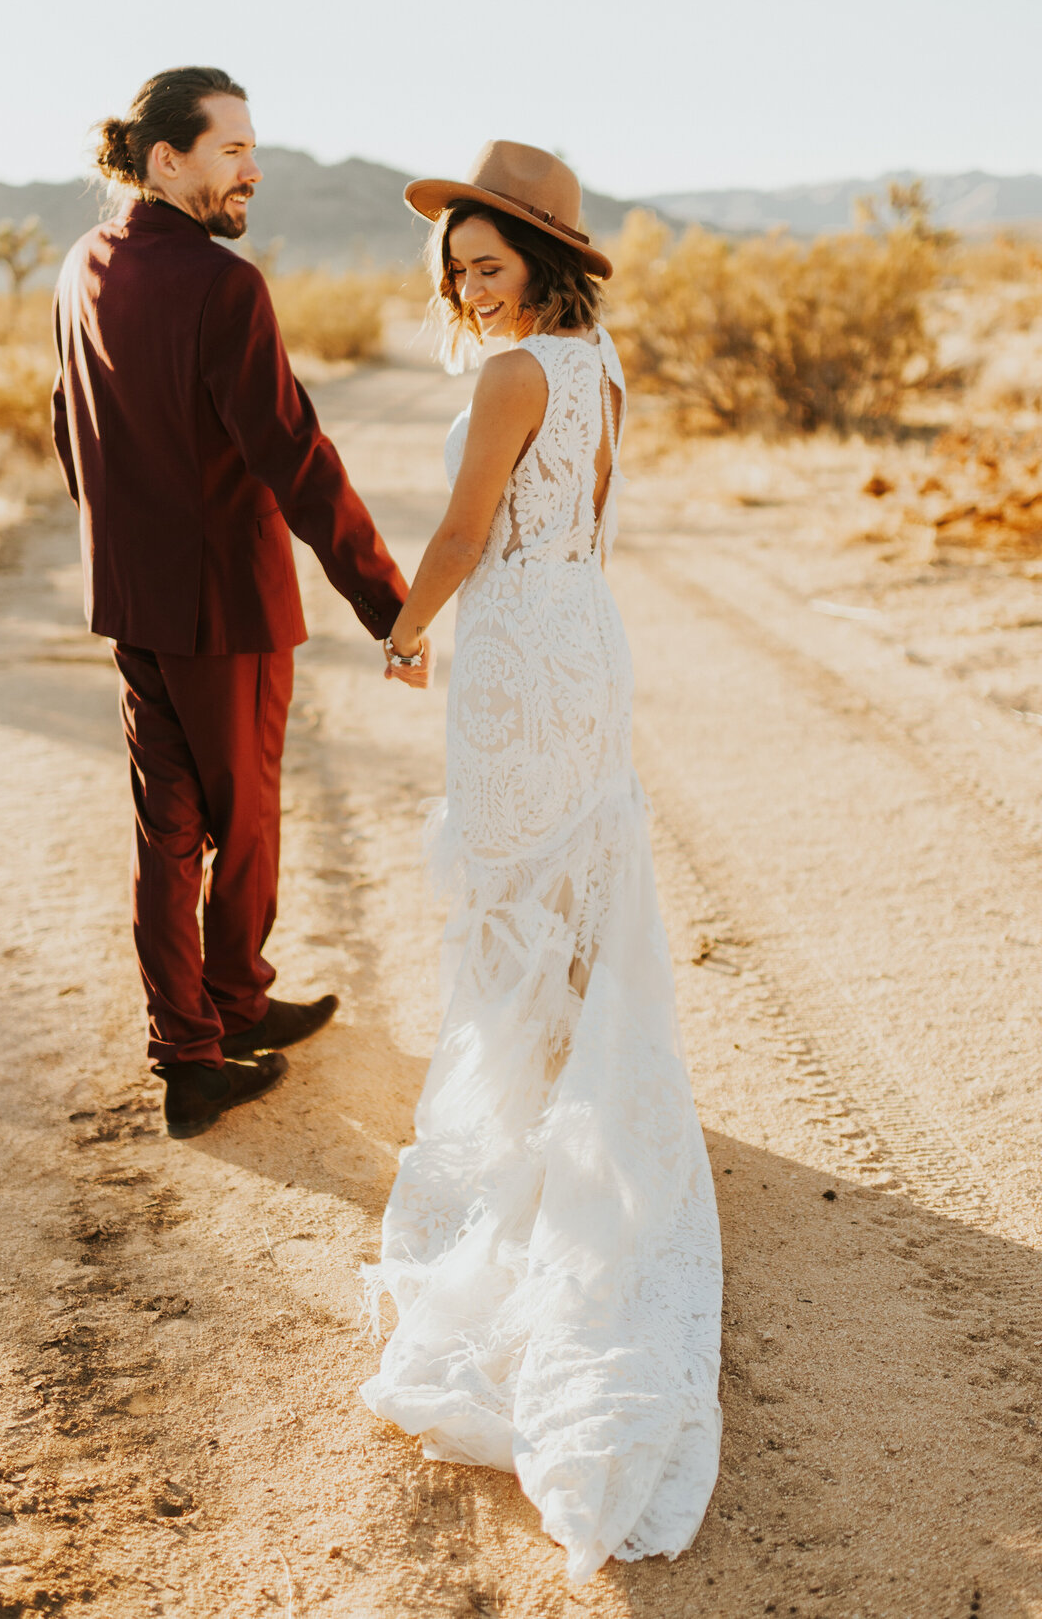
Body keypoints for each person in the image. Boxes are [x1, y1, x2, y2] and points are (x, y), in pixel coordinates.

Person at [364, 142, 723, 1583]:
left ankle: (531, 1124)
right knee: (565, 881)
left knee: (514, 881)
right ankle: (571, 1083)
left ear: (542, 256)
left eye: (488, 263)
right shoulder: (602, 359)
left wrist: (400, 626)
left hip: (519, 646)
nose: (468, 287)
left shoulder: (511, 376)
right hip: (588, 635)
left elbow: (464, 530)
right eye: (455, 270)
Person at [51, 67, 411, 1140]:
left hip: (133, 601)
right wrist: (387, 602)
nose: (254, 167)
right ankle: (232, 1008)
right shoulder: (222, 286)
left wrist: (119, 542)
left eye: (254, 147)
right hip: (227, 612)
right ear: (167, 161)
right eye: (231, 149)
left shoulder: (81, 264)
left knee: (167, 829)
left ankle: (196, 1042)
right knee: (243, 821)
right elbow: (293, 455)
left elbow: (69, 423)